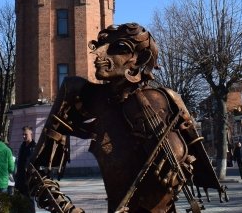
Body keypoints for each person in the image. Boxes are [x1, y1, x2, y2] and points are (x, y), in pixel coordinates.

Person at [27, 23, 224, 213]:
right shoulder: (80, 94)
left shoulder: (168, 100)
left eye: (118, 48)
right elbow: (36, 171)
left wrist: (184, 168)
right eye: (100, 47)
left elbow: (195, 164)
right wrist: (67, 208)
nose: (98, 54)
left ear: (139, 58)